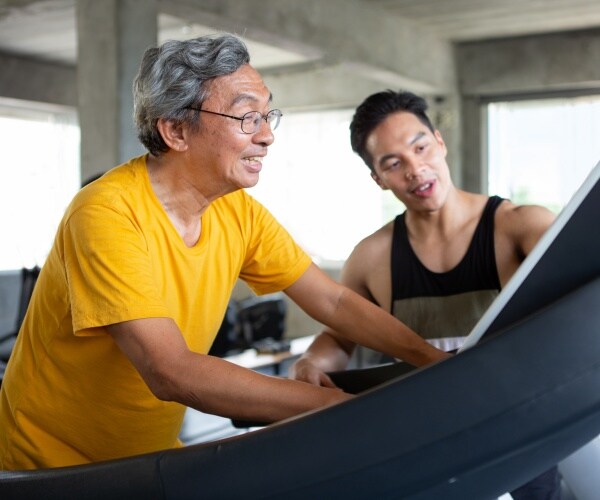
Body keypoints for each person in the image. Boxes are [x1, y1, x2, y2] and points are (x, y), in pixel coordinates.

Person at [0, 36, 450, 471]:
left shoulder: (238, 213)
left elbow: (331, 301)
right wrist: (335, 406)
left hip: (142, 458)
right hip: (46, 465)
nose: (268, 135)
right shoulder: (106, 213)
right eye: (247, 117)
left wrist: (434, 363)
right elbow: (169, 370)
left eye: (268, 114)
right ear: (175, 130)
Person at [289, 90, 560, 499]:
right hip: (427, 437)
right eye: (394, 163)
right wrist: (311, 362)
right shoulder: (370, 257)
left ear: (439, 141)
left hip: (520, 430)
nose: (416, 169)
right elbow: (341, 335)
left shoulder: (521, 227)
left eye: (421, 148)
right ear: (378, 179)